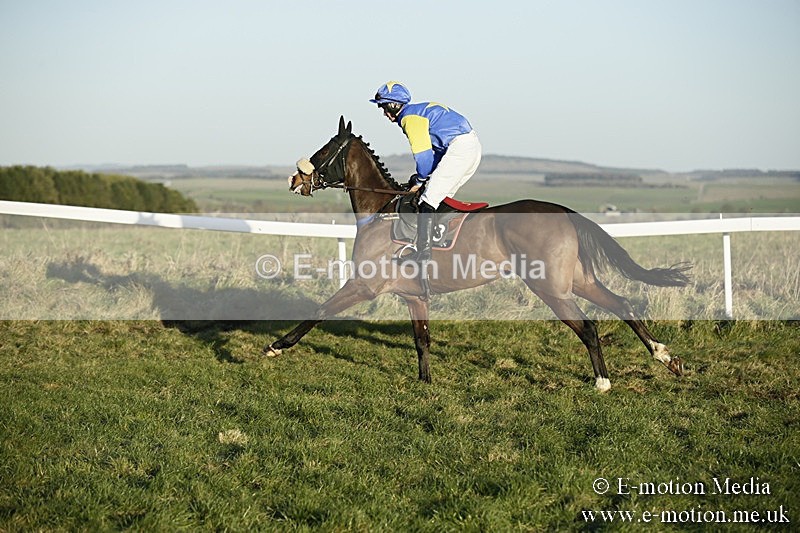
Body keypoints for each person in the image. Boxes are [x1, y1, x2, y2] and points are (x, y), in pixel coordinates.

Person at [370, 81, 482, 263]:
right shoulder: (417, 111)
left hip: (460, 149)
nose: (384, 113)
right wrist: (423, 178)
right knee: (438, 199)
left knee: (427, 201)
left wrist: (420, 180)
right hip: (468, 148)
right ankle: (439, 247)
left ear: (393, 105)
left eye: (384, 107)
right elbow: (436, 153)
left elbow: (423, 157)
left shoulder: (409, 118)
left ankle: (422, 255)